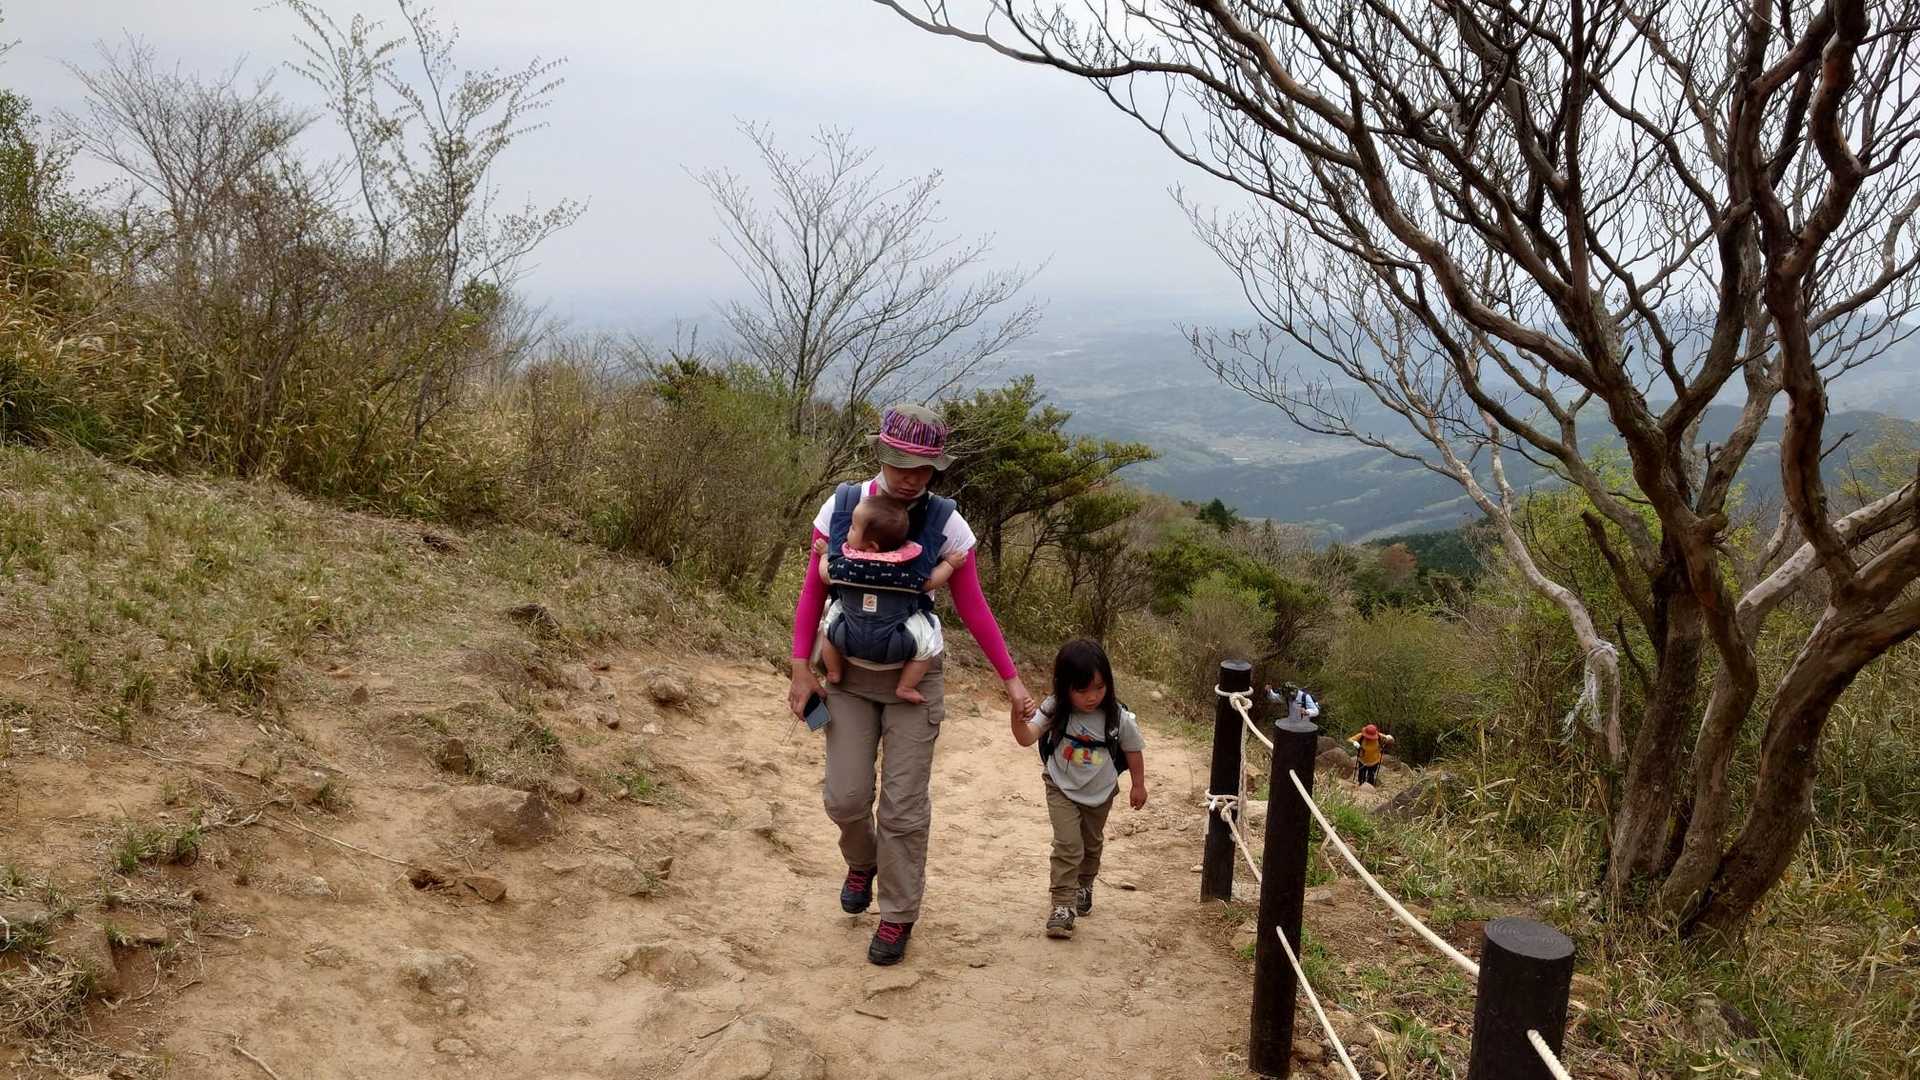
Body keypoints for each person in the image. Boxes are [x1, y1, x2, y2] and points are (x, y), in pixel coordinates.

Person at [787, 403, 1035, 967]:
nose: (911, 477)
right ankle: (863, 861)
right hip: (847, 676)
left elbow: (973, 607)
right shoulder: (842, 507)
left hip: (914, 681)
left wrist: (1013, 682)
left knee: (902, 808)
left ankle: (898, 914)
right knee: (845, 799)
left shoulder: (946, 523)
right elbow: (813, 591)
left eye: (923, 467)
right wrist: (802, 667)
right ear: (882, 454)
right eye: (901, 463)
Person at [1009, 638, 1147, 940]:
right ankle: (1062, 904)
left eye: (1099, 688)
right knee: (1068, 844)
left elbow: (1133, 750)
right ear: (1064, 686)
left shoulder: (1117, 717)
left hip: (1101, 792)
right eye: (1081, 690)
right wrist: (1016, 718)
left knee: (1091, 844)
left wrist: (1138, 785)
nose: (1092, 697)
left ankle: (1084, 884)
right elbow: (1026, 737)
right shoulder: (1056, 708)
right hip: (1060, 785)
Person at [814, 494, 966, 704]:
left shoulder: (845, 566)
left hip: (847, 635)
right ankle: (905, 686)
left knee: (829, 624)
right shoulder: (906, 572)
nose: (848, 530)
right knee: (926, 645)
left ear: (871, 546)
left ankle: (834, 671)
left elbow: (824, 575)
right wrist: (949, 564)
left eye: (853, 528)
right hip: (899, 642)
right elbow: (930, 582)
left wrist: (824, 554)